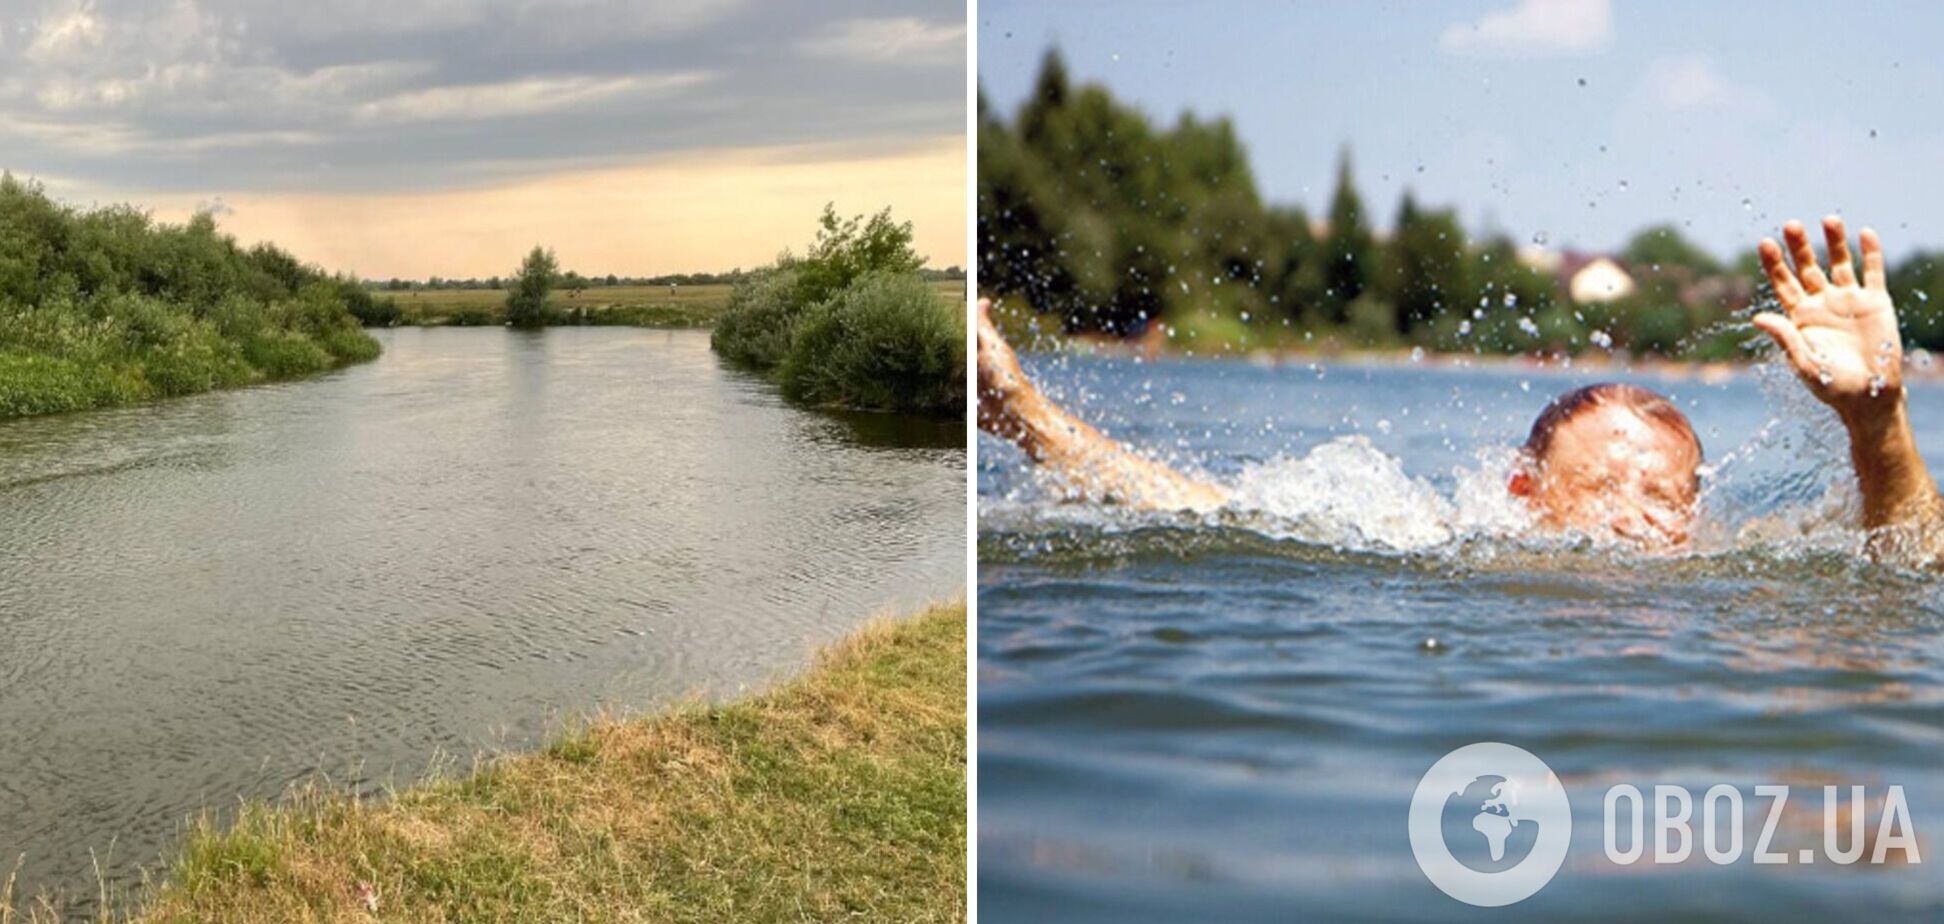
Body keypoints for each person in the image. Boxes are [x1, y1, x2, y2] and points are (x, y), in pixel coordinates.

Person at [979, 216, 1944, 562]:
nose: (1643, 524)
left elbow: (1916, 565)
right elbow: (1202, 513)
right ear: (1524, 495)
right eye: (1610, 490)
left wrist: (1879, 425)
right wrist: (1021, 415)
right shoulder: (1447, 542)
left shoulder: (1732, 564)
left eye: (1665, 500)